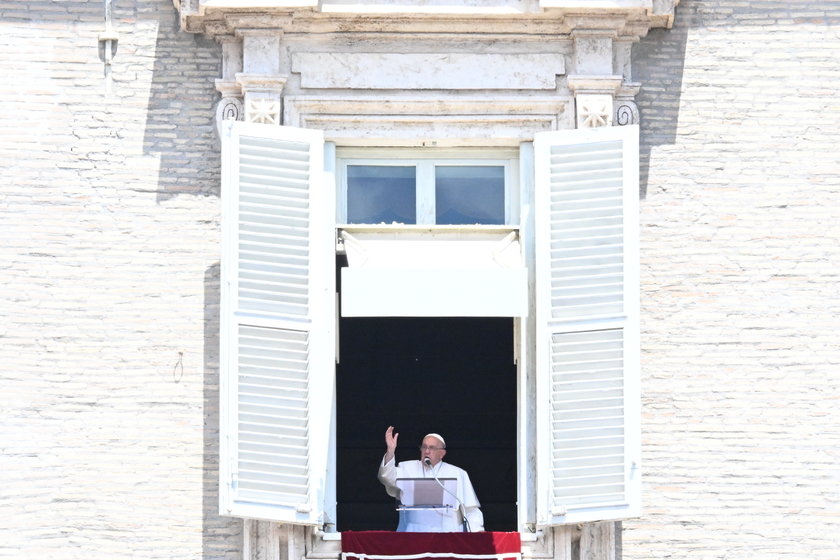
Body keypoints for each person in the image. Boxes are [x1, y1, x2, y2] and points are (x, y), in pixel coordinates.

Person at [378, 426, 484, 532]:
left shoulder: (458, 473)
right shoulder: (407, 468)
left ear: (442, 453)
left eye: (432, 448)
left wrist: (478, 533)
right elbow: (386, 477)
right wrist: (390, 450)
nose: (427, 451)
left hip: (447, 534)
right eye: (424, 447)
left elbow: (470, 510)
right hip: (413, 532)